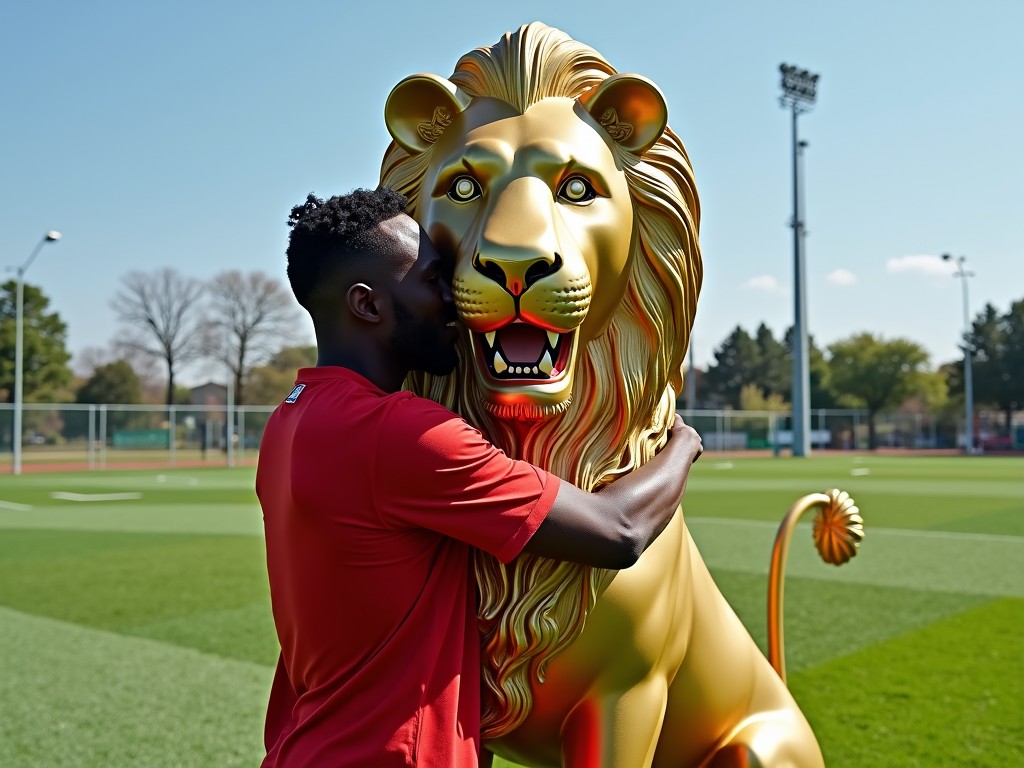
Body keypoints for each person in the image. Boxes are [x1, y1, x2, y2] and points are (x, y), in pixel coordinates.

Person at [256, 187, 703, 767]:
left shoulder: (290, 417)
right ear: (368, 306)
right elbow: (618, 531)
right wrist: (681, 443)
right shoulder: (399, 434)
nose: (454, 300)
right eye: (432, 281)